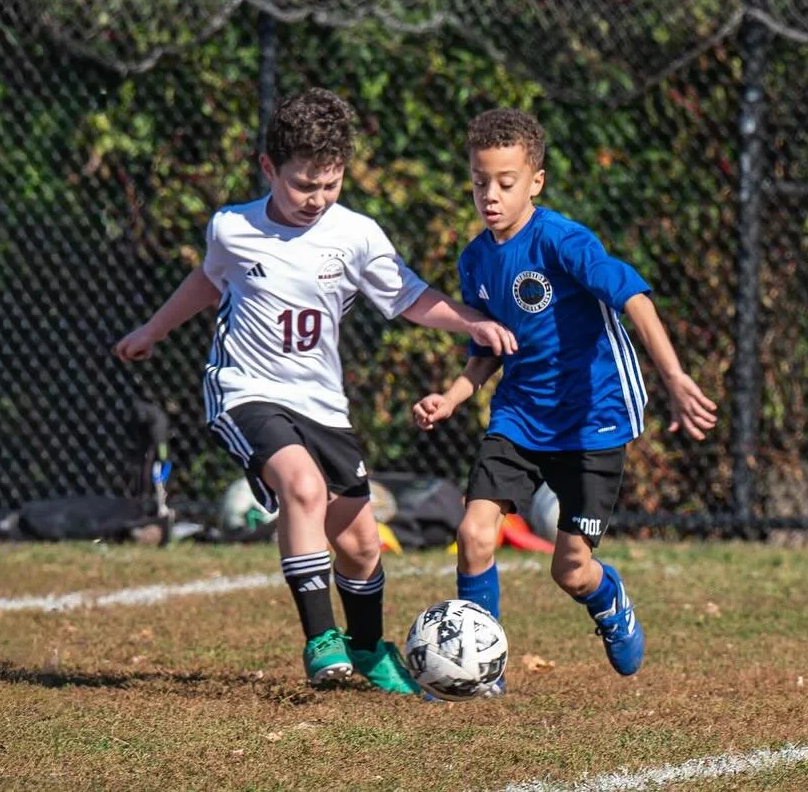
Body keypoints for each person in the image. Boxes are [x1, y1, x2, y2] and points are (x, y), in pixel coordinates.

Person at [115, 88, 517, 694]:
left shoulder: (354, 234)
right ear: (269, 169)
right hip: (244, 389)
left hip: (321, 402)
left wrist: (471, 322)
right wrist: (152, 329)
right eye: (305, 184)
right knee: (301, 487)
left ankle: (366, 648)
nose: (318, 199)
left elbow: (408, 297)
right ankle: (321, 641)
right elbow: (207, 280)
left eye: (331, 185)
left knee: (359, 544)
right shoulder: (232, 228)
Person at [412, 108, 717, 688]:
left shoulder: (564, 242)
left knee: (570, 569)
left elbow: (636, 301)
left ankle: (608, 598)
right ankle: (481, 672)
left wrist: (674, 377)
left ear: (536, 181)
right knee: (475, 533)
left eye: (506, 183)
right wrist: (452, 397)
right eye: (480, 182)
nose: (491, 196)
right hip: (520, 416)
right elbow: (488, 348)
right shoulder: (476, 259)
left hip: (592, 420)